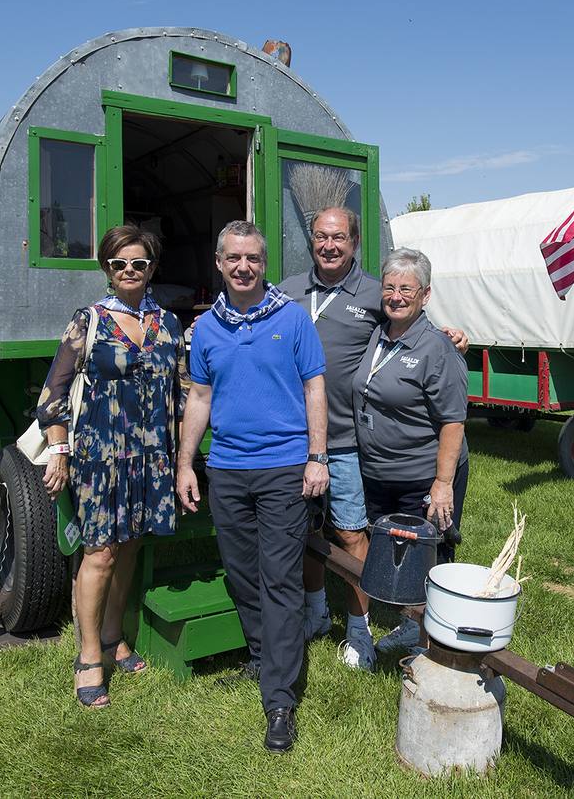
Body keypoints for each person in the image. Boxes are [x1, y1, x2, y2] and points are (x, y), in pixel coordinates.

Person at [278, 207, 467, 673]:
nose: (329, 245)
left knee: (351, 534)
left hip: (346, 443)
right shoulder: (284, 292)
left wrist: (453, 340)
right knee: (308, 533)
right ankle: (316, 613)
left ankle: (364, 631)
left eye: (339, 237)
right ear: (311, 240)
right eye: (321, 236)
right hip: (293, 440)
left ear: (355, 242)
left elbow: (420, 335)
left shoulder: (374, 294)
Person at [176, 220, 328, 754]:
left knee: (280, 580)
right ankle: (266, 660)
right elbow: (199, 397)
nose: (244, 267)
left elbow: (315, 387)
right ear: (218, 263)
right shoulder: (207, 329)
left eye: (254, 259)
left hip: (286, 468)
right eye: (234, 258)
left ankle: (280, 701)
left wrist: (316, 457)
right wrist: (186, 463)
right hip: (228, 470)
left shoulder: (292, 318)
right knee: (242, 576)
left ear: (264, 264)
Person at [36, 224, 185, 708]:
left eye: (138, 263)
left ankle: (113, 635)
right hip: (101, 456)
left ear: (151, 268)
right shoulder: (90, 320)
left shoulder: (169, 323)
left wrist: (186, 457)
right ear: (106, 268)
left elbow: (182, 393)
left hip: (151, 456)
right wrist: (60, 448)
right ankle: (87, 657)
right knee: (99, 553)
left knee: (130, 549)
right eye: (119, 263)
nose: (129, 271)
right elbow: (52, 394)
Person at [351, 248, 470, 654]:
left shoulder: (437, 348)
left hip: (423, 473)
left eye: (407, 288)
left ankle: (430, 643)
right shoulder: (378, 332)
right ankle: (408, 625)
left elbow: (453, 421)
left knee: (427, 556)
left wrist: (442, 483)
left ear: (426, 295)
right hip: (380, 469)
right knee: (394, 551)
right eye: (389, 287)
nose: (396, 295)